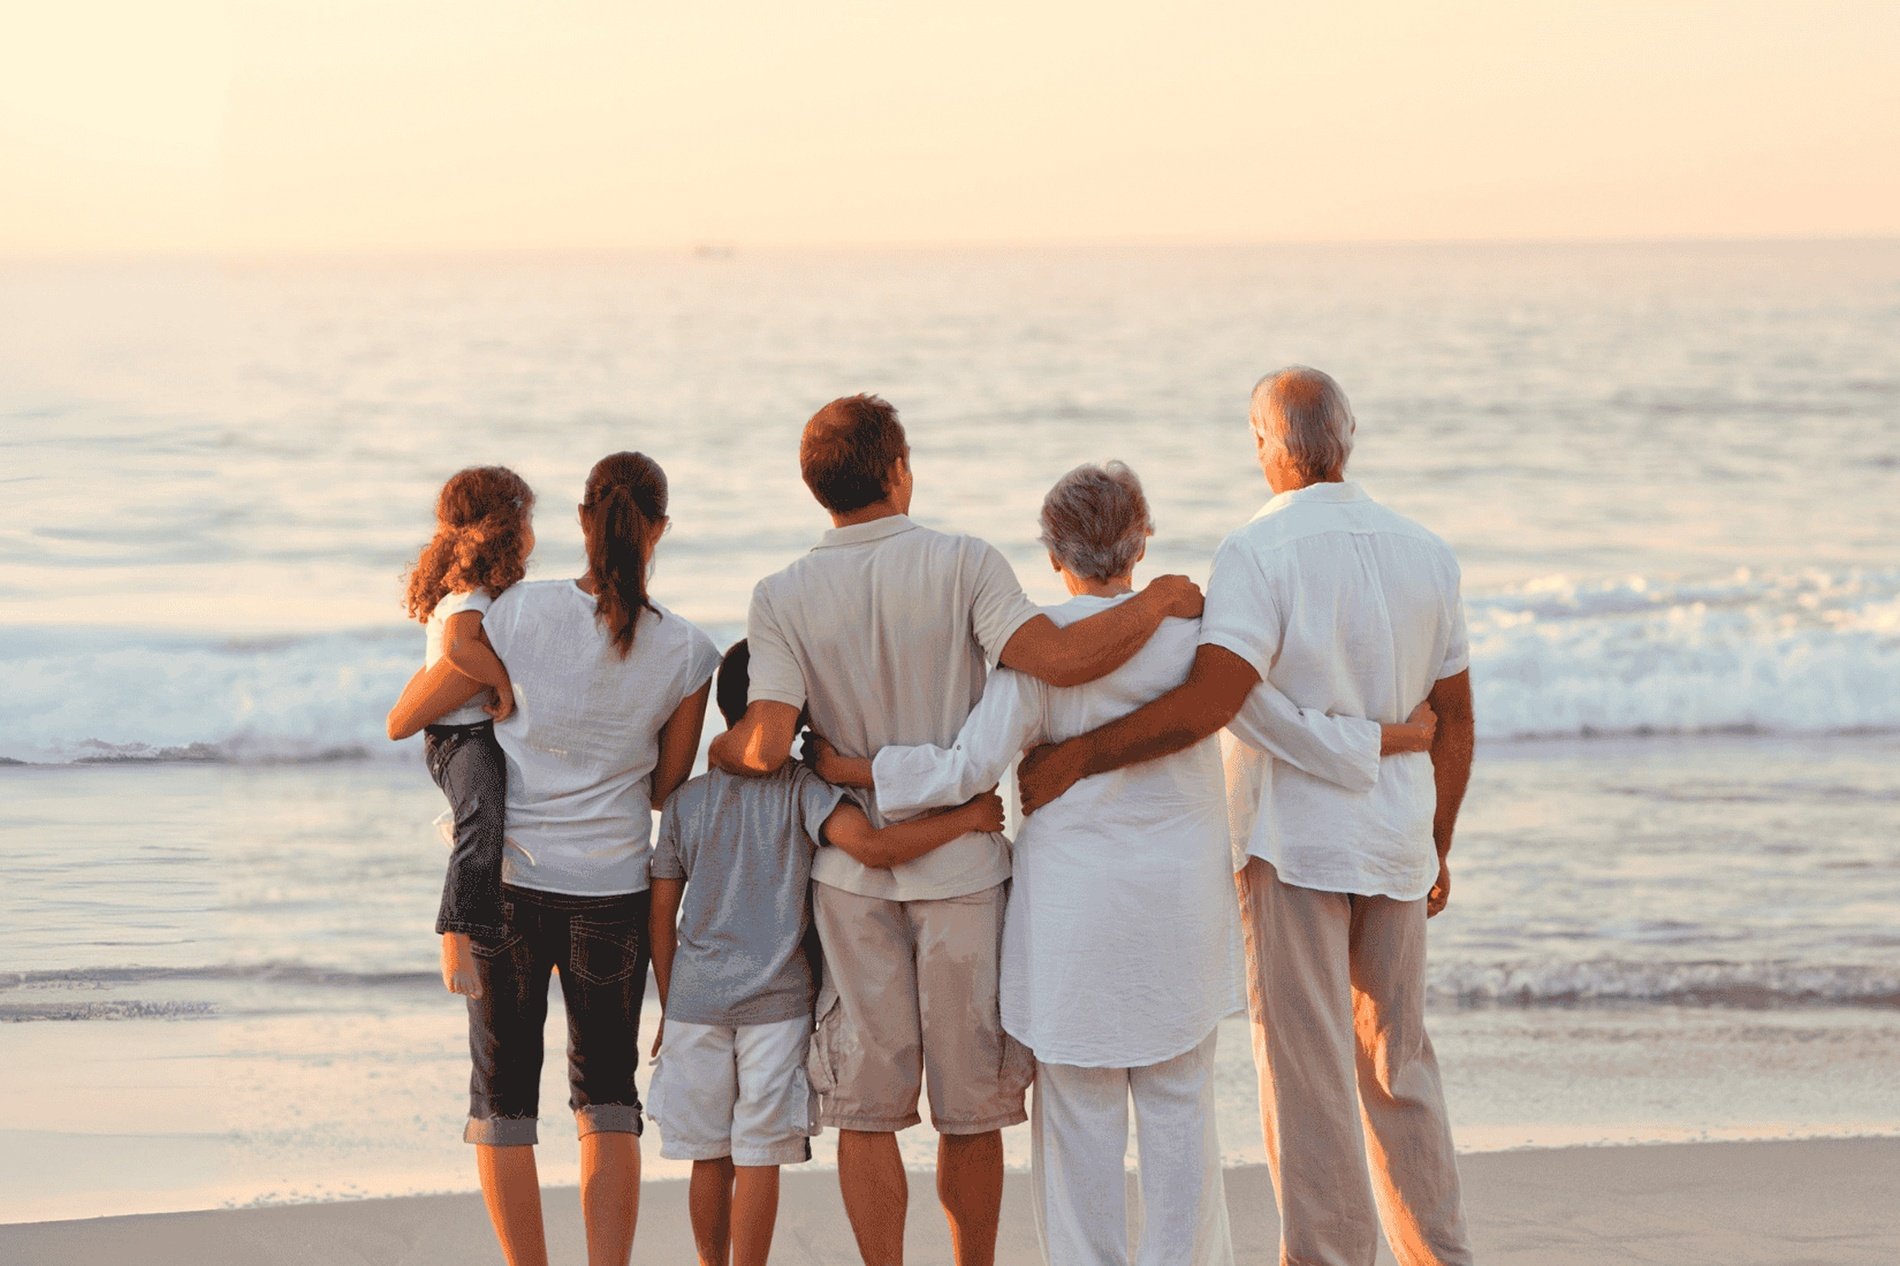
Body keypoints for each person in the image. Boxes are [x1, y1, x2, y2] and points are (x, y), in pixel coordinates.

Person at [814, 462, 1432, 1266]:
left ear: (1051, 554)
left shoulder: (1037, 652)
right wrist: (1394, 739)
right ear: (1142, 543)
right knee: (1183, 1126)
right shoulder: (1196, 643)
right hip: (1178, 916)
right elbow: (1289, 730)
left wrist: (854, 772)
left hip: (1074, 926)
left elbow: (964, 768)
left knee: (1078, 1143)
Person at [708, 395, 1205, 1266]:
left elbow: (770, 736)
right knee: (969, 1109)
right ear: (899, 470)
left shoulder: (778, 594)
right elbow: (1060, 659)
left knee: (867, 1110)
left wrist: (716, 751)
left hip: (853, 883)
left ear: (815, 488)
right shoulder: (965, 562)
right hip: (966, 875)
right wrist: (1159, 602)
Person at [1019, 369, 1478, 1266]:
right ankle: (1440, 1256)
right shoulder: (1428, 550)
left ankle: (1328, 1258)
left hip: (1295, 843)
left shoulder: (1257, 553)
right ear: (1345, 439)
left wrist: (1077, 756)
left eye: (1257, 440)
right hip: (1393, 843)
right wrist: (1437, 843)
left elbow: (1212, 703)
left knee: (1306, 1071)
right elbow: (1455, 716)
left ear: (1272, 447)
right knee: (1400, 1065)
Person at [390, 451, 720, 1266]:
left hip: (505, 885)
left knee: (502, 1100)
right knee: (607, 1097)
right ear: (660, 530)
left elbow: (423, 705)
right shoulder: (687, 651)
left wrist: (490, 702)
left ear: (580, 521)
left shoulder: (517, 613)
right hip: (612, 890)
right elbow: (665, 787)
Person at [647, 639, 1008, 1266]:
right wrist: (968, 819)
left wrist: (670, 997)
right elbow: (869, 847)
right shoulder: (803, 792)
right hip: (777, 1007)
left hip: (693, 1005)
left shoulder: (684, 804)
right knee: (759, 1154)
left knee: (709, 1155)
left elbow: (660, 912)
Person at [386, 465, 535, 1000]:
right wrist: (503, 684)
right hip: (459, 737)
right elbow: (457, 651)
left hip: (472, 732)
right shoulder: (470, 595)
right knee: (483, 817)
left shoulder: (480, 591)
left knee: (508, 822)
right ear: (506, 528)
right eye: (528, 518)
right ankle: (456, 934)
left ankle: (519, 929)